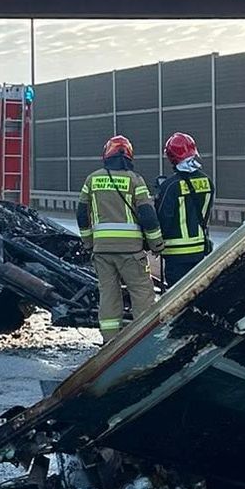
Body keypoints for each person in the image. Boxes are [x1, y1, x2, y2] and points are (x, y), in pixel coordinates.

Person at [77, 135, 162, 341]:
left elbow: (81, 214)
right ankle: (143, 338)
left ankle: (109, 341)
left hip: (102, 252)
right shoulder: (135, 180)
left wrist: (88, 242)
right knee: (141, 292)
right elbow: (148, 215)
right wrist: (156, 243)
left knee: (108, 295)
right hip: (131, 251)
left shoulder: (92, 179)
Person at [155, 131, 214, 287]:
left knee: (177, 298)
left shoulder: (170, 186)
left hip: (176, 253)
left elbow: (163, 220)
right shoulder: (207, 181)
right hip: (199, 250)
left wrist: (153, 244)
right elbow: (205, 214)